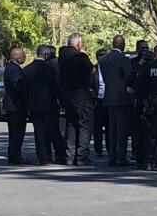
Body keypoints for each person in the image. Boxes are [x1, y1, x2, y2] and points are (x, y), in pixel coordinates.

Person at [59, 33, 95, 166]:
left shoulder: (62, 56)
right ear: (78, 43)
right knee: (84, 125)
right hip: (81, 93)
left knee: (71, 124)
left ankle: (69, 155)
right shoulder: (80, 57)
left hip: (67, 93)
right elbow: (92, 70)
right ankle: (81, 156)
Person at [24, 45, 61, 165]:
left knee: (38, 132)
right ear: (45, 55)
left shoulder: (27, 69)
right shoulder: (48, 68)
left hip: (34, 105)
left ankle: (42, 157)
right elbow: (55, 86)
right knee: (52, 131)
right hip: (49, 104)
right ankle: (54, 154)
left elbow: (24, 89)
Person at [100, 35, 133, 166]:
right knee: (122, 130)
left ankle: (111, 156)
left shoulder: (103, 60)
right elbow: (129, 77)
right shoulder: (123, 59)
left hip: (108, 96)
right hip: (122, 97)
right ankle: (121, 157)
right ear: (122, 45)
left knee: (111, 129)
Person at [3, 47, 29, 165]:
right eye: (23, 55)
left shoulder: (11, 68)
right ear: (18, 57)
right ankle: (15, 156)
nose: (24, 57)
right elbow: (18, 86)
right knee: (17, 132)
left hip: (13, 105)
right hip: (15, 105)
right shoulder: (14, 70)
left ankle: (14, 155)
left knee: (15, 132)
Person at [44, 46, 67, 164]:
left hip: (47, 102)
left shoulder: (46, 66)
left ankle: (47, 154)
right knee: (56, 131)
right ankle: (60, 154)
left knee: (48, 131)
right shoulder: (57, 64)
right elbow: (59, 85)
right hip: (55, 101)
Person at [129, 40, 150, 163]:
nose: (144, 51)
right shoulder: (133, 62)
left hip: (151, 99)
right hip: (137, 98)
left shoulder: (152, 63)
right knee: (136, 128)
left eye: (146, 48)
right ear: (137, 49)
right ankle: (135, 151)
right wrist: (140, 63)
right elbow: (130, 79)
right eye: (142, 48)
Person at [92, 48, 109, 158]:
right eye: (100, 55)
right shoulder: (93, 69)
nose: (102, 57)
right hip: (97, 100)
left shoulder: (110, 69)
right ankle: (98, 150)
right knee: (97, 127)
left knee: (109, 126)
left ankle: (110, 148)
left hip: (108, 99)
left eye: (104, 55)